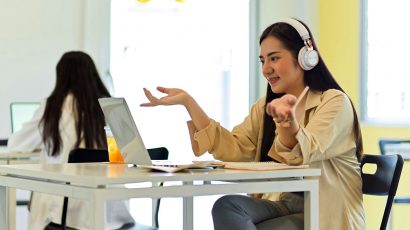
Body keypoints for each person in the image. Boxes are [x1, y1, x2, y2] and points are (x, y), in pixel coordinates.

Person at [141, 18, 365, 230]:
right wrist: (189, 103)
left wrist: (287, 121)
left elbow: (305, 152)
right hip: (283, 203)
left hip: (323, 213)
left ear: (306, 56)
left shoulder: (334, 102)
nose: (266, 68)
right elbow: (235, 147)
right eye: (263, 60)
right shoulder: (265, 107)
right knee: (227, 207)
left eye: (274, 58)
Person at [8, 51, 135, 229]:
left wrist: (45, 145)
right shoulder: (113, 106)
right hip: (112, 215)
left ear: (61, 77)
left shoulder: (53, 106)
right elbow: (134, 153)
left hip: (64, 214)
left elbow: (16, 144)